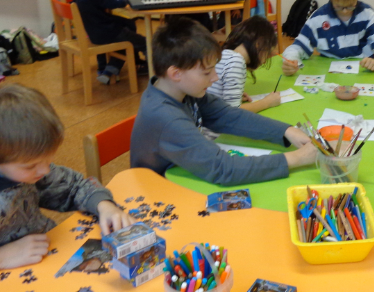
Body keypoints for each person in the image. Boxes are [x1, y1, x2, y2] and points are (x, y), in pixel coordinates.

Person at [0, 85, 134, 292]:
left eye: (48, 160)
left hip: (42, 264)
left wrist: (104, 205)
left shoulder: (9, 155)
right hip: (5, 290)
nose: (45, 171)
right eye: (31, 166)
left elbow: (73, 185)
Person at [130, 17, 316, 185]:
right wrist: (297, 158)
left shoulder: (181, 90)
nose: (215, 77)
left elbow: (228, 115)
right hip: (161, 190)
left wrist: (287, 131)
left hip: (184, 174)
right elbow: (223, 169)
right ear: (176, 73)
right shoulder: (166, 117)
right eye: (206, 72)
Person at [73, 0, 147, 84]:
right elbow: (118, 2)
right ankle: (149, 68)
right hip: (106, 33)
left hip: (92, 31)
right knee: (143, 42)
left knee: (128, 27)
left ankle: (109, 71)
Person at [207, 16, 281, 113]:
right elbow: (233, 112)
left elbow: (217, 91)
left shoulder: (225, 54)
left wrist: (232, 95)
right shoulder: (237, 62)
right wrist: (267, 102)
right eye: (267, 53)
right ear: (259, 44)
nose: (264, 61)